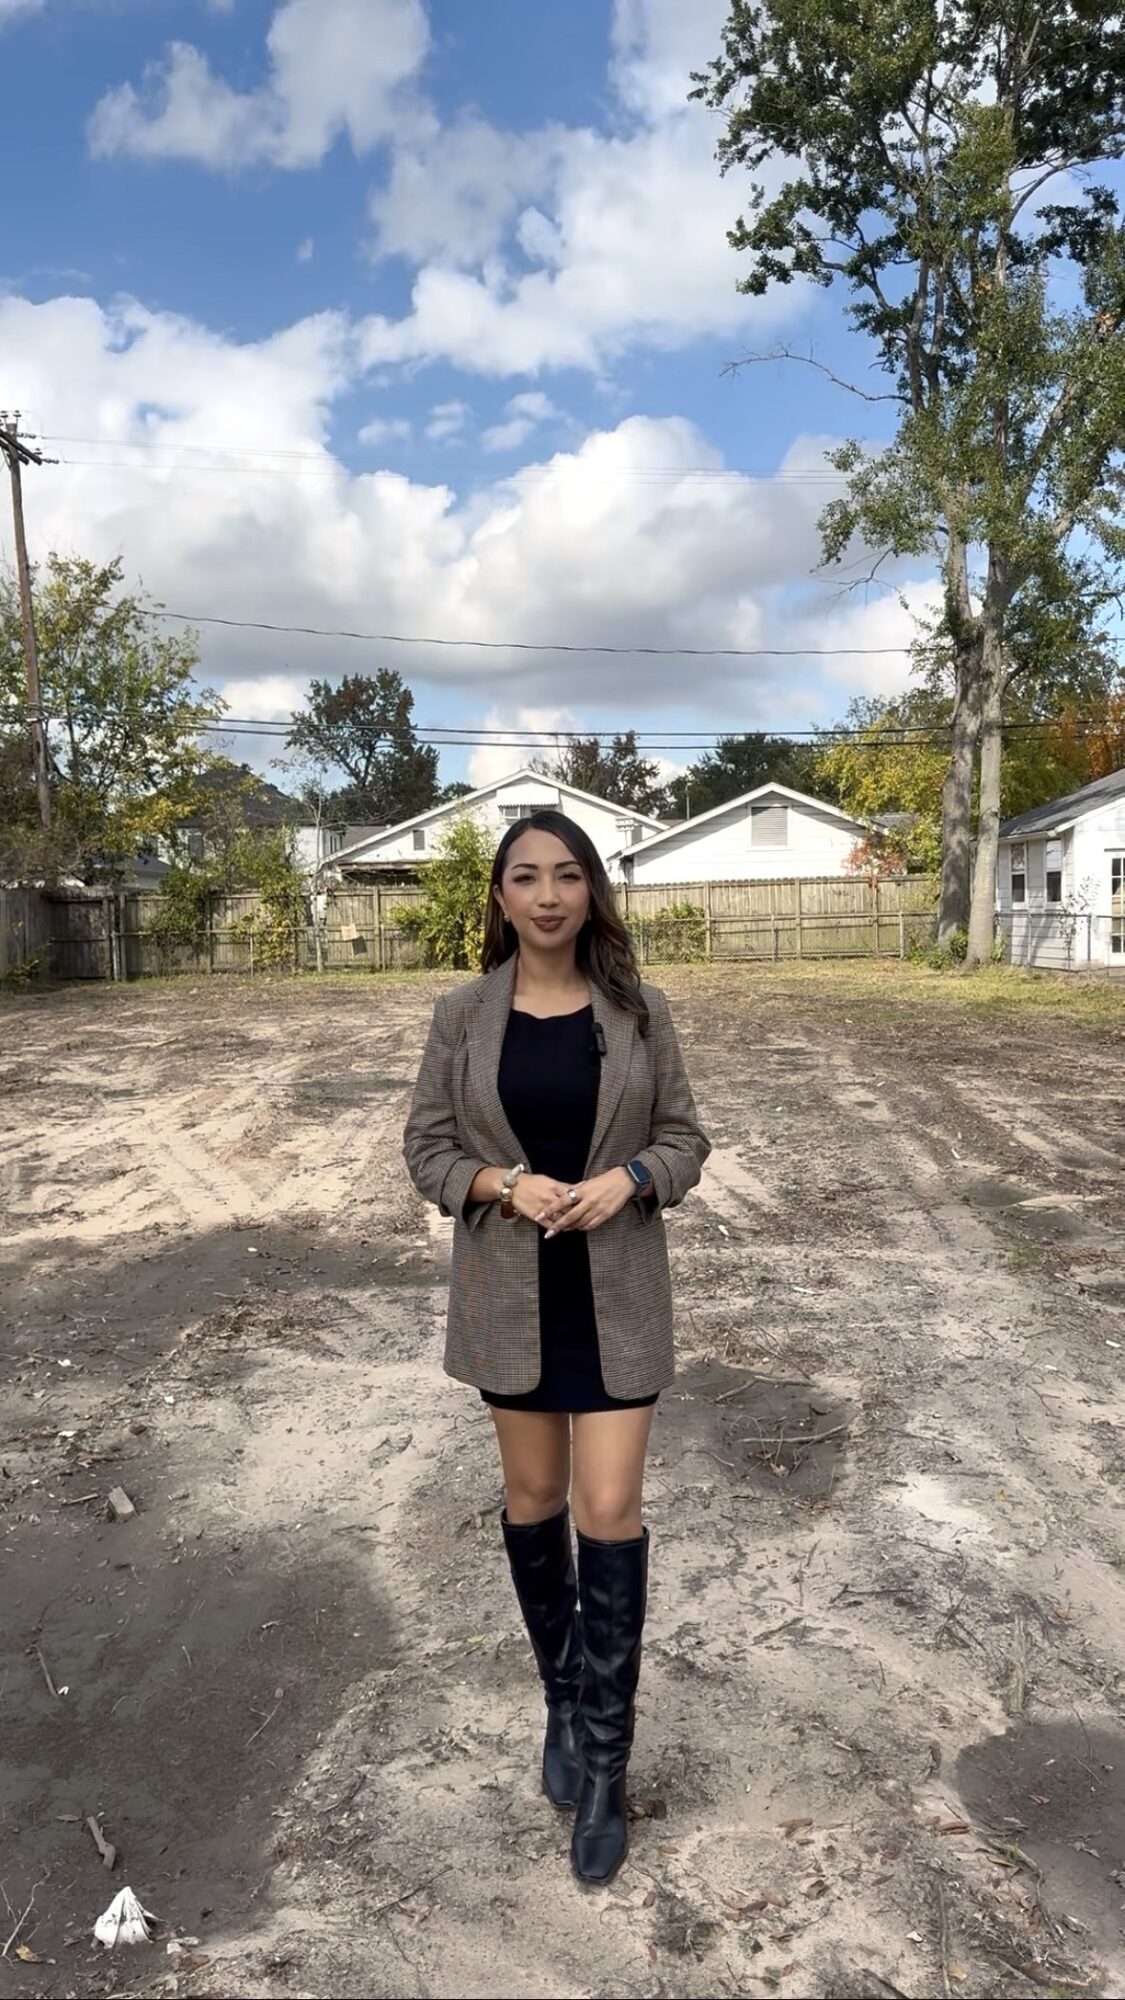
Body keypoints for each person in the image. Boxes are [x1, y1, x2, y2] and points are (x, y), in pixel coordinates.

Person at [403, 809, 710, 1885]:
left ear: (591, 890)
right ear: (499, 896)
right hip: (508, 1299)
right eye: (525, 876)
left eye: (566, 875)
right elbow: (427, 1150)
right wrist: (501, 1182)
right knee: (532, 1502)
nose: (546, 894)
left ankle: (609, 1767)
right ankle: (565, 1704)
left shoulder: (637, 1011)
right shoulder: (462, 1014)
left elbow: (686, 1139)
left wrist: (628, 1179)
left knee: (608, 1509)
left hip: (617, 1293)